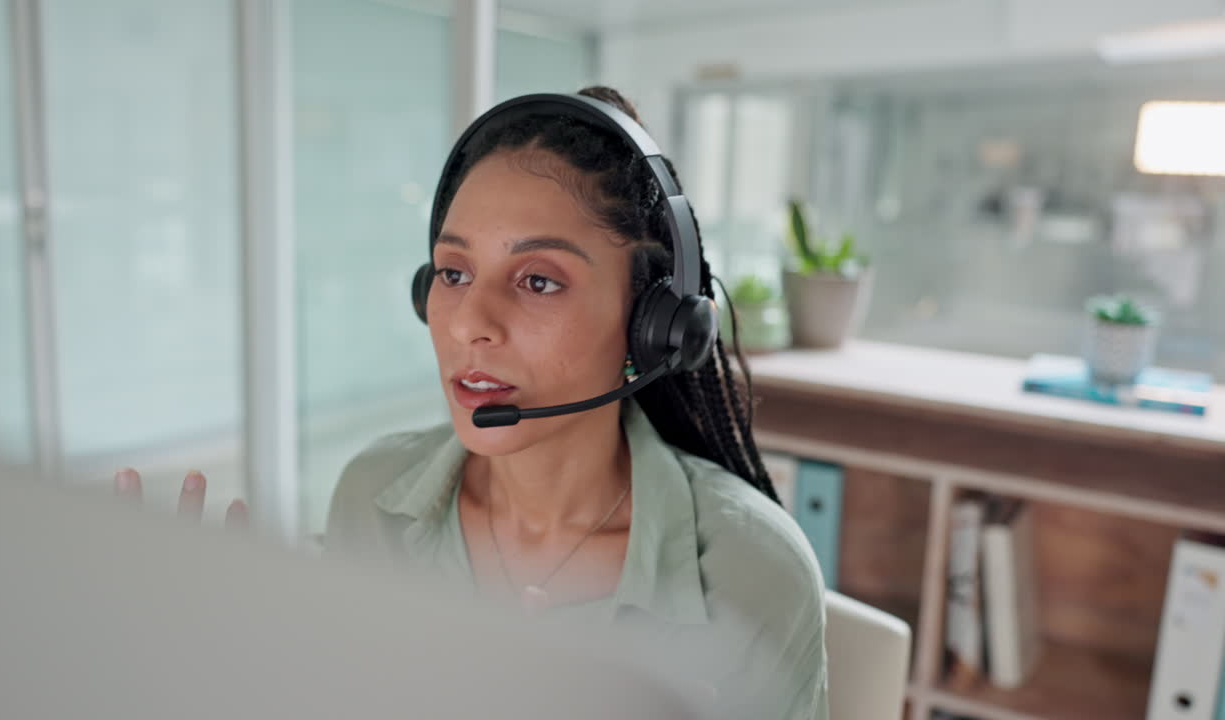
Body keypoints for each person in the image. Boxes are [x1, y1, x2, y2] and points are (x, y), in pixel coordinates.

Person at [117, 86, 829, 719]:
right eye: (454, 272)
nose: (467, 323)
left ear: (654, 324)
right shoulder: (372, 497)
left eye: (538, 282)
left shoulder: (751, 574)